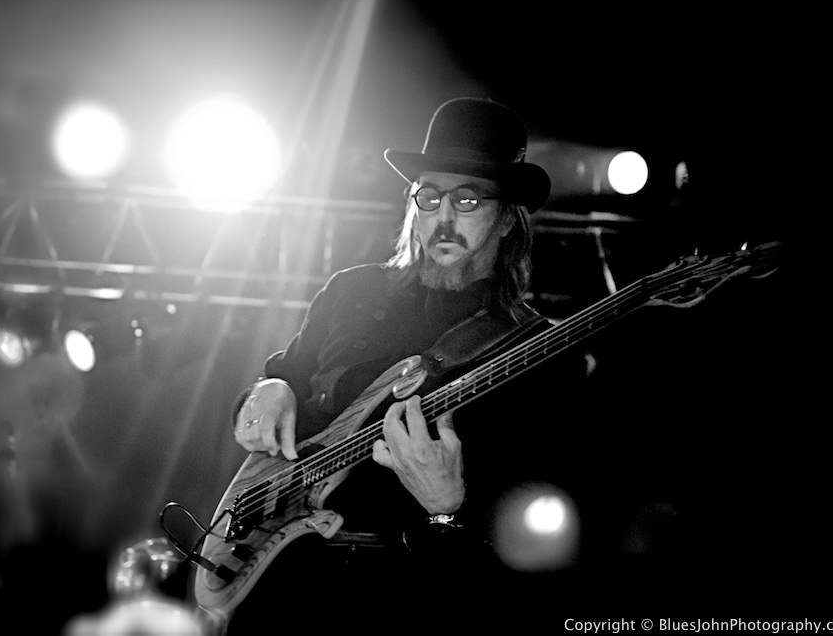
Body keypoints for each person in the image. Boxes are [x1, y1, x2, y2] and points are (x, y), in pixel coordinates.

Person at [222, 97, 585, 630]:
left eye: (467, 201)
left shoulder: (536, 351)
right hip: (283, 585)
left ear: (507, 218)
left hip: (405, 596)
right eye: (431, 196)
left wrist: (448, 508)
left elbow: (533, 531)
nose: (442, 217)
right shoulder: (349, 292)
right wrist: (269, 387)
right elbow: (278, 388)